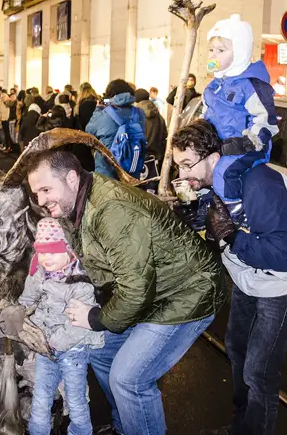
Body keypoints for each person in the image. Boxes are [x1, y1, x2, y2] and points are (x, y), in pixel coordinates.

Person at [23, 150, 225, 435]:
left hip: (187, 292)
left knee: (129, 379)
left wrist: (96, 318)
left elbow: (136, 290)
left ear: (71, 179)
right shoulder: (74, 205)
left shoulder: (112, 210)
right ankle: (126, 425)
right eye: (36, 193)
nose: (41, 200)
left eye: (46, 190)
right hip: (154, 289)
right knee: (101, 351)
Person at [171, 120, 287, 435]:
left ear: (213, 158)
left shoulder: (261, 183)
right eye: (177, 166)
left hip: (282, 283)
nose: (181, 175)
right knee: (236, 348)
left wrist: (232, 237)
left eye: (187, 165)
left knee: (259, 372)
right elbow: (215, 238)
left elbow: (283, 256)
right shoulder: (206, 186)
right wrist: (196, 222)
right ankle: (242, 426)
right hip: (247, 277)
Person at [19, 217, 104, 435]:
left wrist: (53, 343)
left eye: (53, 251)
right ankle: (38, 431)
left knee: (75, 400)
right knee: (41, 397)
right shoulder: (39, 275)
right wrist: (19, 315)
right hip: (46, 349)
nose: (46, 258)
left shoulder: (80, 285)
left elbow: (78, 325)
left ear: (69, 251)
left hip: (73, 351)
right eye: (42, 252)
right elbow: (26, 301)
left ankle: (80, 431)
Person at [203, 13, 278, 204]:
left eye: (221, 50)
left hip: (247, 149)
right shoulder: (214, 87)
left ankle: (233, 211)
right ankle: (209, 206)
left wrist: (246, 143)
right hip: (222, 146)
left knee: (223, 173)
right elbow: (207, 116)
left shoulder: (251, 85)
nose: (213, 55)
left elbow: (265, 120)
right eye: (211, 49)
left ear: (240, 51)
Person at [85, 79, 145, 179]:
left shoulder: (103, 114)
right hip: (132, 171)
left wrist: (98, 109)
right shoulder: (139, 113)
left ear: (110, 96)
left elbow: (89, 131)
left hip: (107, 172)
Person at [134, 89, 167, 161]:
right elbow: (164, 135)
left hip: (141, 156)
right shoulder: (158, 115)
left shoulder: (136, 115)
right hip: (156, 156)